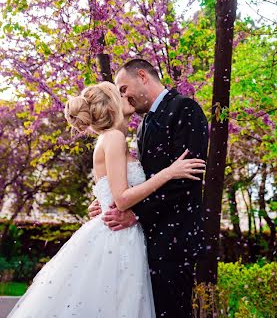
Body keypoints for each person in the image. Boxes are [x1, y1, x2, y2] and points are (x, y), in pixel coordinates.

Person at [8, 81, 206, 318]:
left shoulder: (111, 138)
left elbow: (111, 189)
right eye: (120, 93)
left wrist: (101, 202)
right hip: (118, 237)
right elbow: (122, 200)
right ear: (112, 104)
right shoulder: (113, 138)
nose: (126, 96)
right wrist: (169, 172)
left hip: (121, 232)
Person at [88, 59, 209, 318]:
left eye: (124, 88)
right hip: (146, 241)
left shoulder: (184, 109)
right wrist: (105, 199)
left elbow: (186, 177)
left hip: (175, 239)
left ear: (142, 76)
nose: (123, 96)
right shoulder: (143, 126)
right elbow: (141, 181)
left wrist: (136, 213)